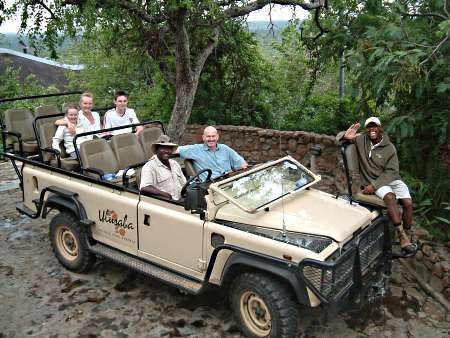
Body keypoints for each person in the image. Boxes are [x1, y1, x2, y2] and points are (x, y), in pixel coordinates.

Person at [337, 117, 416, 253]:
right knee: (390, 197)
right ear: (366, 129)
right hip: (374, 180)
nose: (372, 129)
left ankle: (407, 233)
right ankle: (402, 235)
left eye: (375, 126)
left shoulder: (389, 148)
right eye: (369, 127)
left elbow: (392, 171)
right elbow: (338, 138)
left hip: (390, 178)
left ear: (380, 128)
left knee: (408, 203)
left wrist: (374, 186)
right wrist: (345, 135)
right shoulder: (361, 139)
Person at [176, 126, 248, 180]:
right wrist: (165, 146)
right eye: (208, 136)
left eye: (213, 136)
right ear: (203, 137)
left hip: (228, 183)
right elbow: (175, 150)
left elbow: (243, 164)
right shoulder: (195, 149)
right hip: (210, 187)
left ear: (217, 137)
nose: (211, 139)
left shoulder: (225, 149)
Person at [140, 135, 186, 200]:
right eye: (163, 148)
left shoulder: (174, 163)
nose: (167, 151)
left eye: (169, 148)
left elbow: (184, 183)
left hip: (181, 200)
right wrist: (166, 195)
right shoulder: (149, 166)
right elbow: (145, 187)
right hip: (165, 203)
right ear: (156, 150)